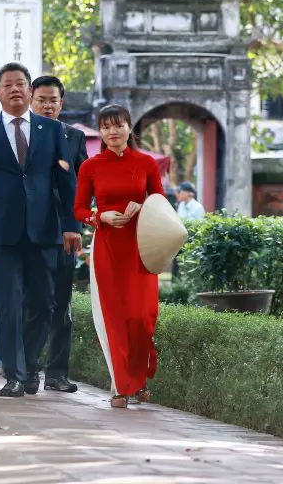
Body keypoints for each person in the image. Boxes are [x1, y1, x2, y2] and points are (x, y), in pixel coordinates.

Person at [0, 63, 80, 398]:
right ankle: (14, 375)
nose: (15, 89)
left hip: (45, 230)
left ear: (30, 91)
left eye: (20, 84)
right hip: (0, 233)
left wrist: (71, 227)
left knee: (45, 304)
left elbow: (66, 180)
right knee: (8, 303)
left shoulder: (52, 131)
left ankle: (29, 364)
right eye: (8, 85)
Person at [73, 103, 165, 408]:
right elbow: (80, 210)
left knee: (142, 317)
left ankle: (139, 380)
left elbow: (160, 201)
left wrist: (145, 205)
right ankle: (120, 386)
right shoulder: (90, 167)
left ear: (129, 128)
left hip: (141, 246)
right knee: (115, 317)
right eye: (106, 127)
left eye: (118, 125)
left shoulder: (147, 164)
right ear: (101, 132)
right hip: (108, 247)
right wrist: (101, 218)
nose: (112, 132)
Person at [29, 75, 88, 394]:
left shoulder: (73, 137)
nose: (47, 106)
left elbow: (83, 185)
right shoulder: (19, 135)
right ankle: (26, 369)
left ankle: (57, 372)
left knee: (62, 305)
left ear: (61, 104)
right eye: (42, 100)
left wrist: (75, 226)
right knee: (32, 303)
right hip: (27, 233)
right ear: (30, 100)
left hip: (65, 233)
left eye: (53, 100)